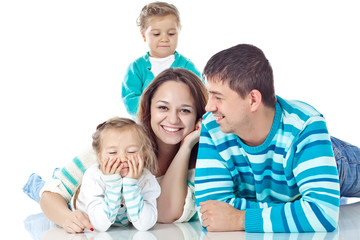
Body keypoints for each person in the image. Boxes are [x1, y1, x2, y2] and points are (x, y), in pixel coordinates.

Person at [194, 43, 360, 233]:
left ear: (253, 100)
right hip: (293, 182)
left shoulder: (305, 125)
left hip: (331, 160)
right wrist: (296, 210)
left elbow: (323, 213)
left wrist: (239, 218)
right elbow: (210, 213)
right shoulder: (212, 125)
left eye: (218, 97)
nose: (208, 107)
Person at [34, 68, 207, 233]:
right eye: (163, 107)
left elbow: (165, 214)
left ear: (198, 117)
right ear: (149, 109)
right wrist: (67, 218)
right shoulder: (118, 144)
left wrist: (187, 146)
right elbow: (53, 193)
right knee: (42, 188)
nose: (173, 119)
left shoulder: (203, 162)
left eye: (185, 110)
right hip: (85, 196)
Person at [72, 117, 160, 232]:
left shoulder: (146, 179)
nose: (123, 158)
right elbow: (99, 225)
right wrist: (113, 185)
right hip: (75, 205)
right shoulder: (93, 176)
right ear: (100, 157)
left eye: (132, 151)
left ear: (143, 154)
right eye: (113, 152)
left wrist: (131, 186)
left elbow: (145, 224)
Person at [121, 1, 203, 117]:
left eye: (171, 34)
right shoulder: (136, 68)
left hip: (178, 126)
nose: (164, 39)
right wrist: (157, 108)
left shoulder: (187, 66)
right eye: (156, 34)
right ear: (144, 35)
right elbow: (130, 101)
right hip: (145, 129)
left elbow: (201, 95)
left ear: (178, 33)